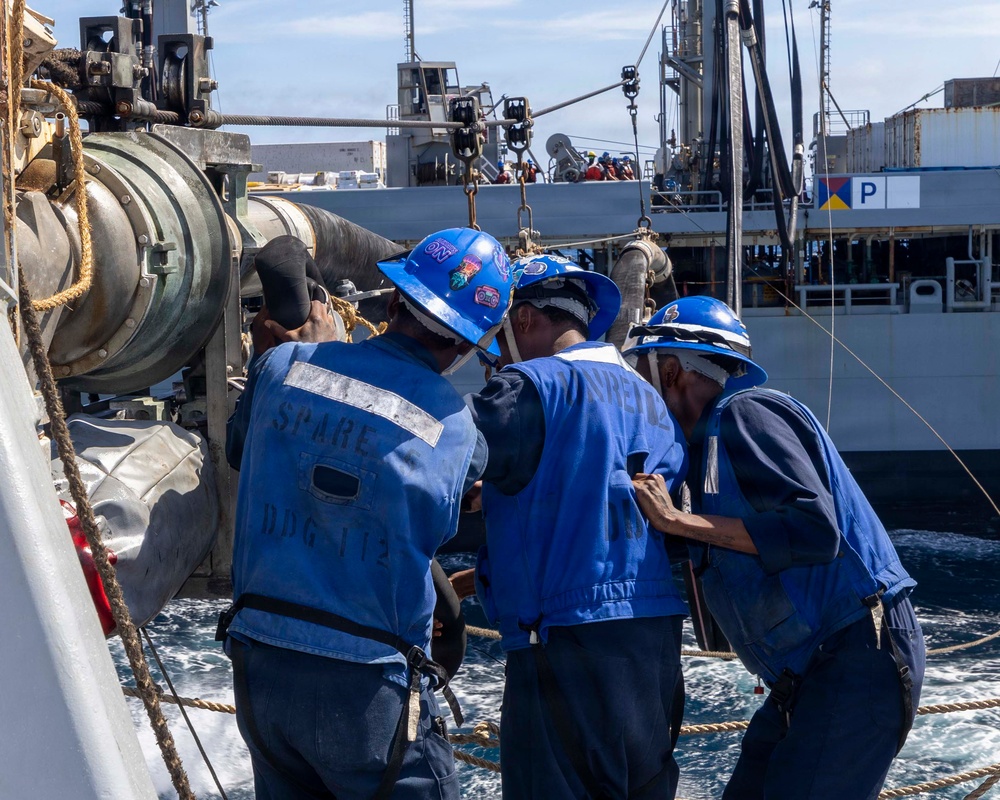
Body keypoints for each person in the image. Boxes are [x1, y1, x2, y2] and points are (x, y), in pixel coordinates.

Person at [222, 228, 515, 800]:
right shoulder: (459, 432)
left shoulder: (282, 366)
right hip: (366, 684)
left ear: (395, 303)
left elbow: (241, 448)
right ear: (465, 347)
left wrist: (314, 345)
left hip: (261, 663)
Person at [623, 296, 926, 800]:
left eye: (643, 374)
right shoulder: (701, 458)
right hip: (808, 672)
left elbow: (815, 530)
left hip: (855, 656)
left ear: (671, 370)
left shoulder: (745, 414)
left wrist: (680, 520)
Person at [451, 254, 689, 799]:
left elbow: (439, 463)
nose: (493, 354)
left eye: (499, 333)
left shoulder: (528, 385)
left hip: (564, 641)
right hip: (651, 639)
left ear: (527, 320)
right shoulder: (651, 401)